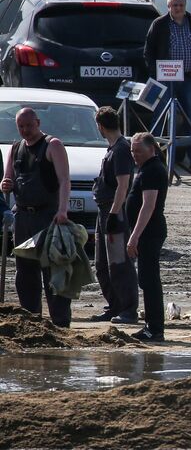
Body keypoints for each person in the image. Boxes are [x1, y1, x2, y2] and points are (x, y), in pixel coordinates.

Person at [0, 106, 73, 326]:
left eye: (29, 126)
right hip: (23, 217)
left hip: (48, 217)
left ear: (38, 123)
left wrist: (62, 210)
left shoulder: (53, 145)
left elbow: (64, 180)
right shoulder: (15, 148)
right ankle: (31, 322)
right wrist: (5, 184)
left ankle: (60, 324)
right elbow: (7, 179)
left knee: (53, 271)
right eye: (21, 127)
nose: (25, 130)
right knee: (25, 273)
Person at [144, 0, 191, 170]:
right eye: (175, 5)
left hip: (189, 79)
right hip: (165, 79)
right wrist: (155, 73)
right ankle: (153, 156)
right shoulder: (159, 24)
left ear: (185, 6)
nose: (178, 8)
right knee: (160, 117)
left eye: (181, 5)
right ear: (169, 7)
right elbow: (148, 51)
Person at [91, 106, 139, 324]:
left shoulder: (120, 149)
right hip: (105, 211)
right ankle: (114, 305)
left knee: (119, 263)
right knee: (102, 264)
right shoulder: (113, 148)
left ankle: (128, 309)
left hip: (113, 211)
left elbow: (123, 185)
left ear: (100, 126)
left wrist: (113, 214)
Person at [125, 132, 169, 342]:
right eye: (133, 151)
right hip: (147, 231)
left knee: (150, 281)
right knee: (147, 279)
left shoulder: (153, 169)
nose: (135, 155)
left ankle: (155, 329)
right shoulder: (147, 167)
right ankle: (151, 326)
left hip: (150, 232)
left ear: (151, 149)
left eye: (139, 151)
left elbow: (148, 206)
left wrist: (134, 237)